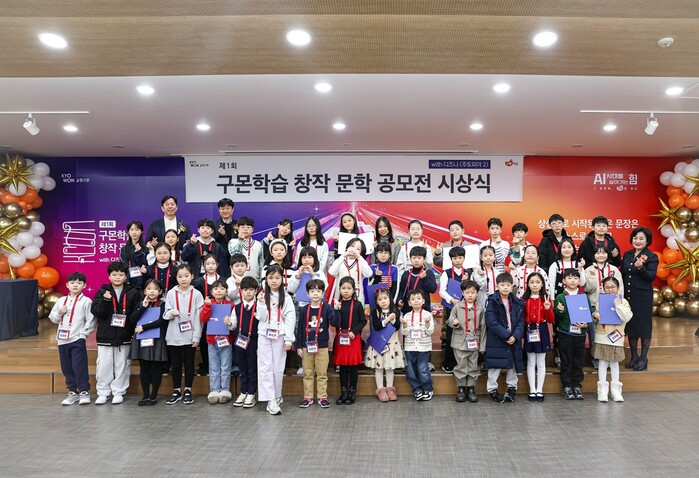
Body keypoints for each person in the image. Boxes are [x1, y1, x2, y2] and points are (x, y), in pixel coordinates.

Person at [90, 261, 140, 405]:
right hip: (105, 336)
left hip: (124, 335)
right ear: (109, 276)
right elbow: (97, 312)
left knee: (122, 365)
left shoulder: (133, 292)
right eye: (114, 274)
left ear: (126, 276)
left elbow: (135, 314)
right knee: (103, 366)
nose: (117, 277)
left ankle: (119, 392)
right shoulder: (102, 292)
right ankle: (103, 392)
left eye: (121, 274)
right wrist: (106, 300)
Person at [48, 272, 95, 406]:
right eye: (72, 283)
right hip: (62, 340)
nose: (75, 285)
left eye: (79, 283)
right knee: (66, 367)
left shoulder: (86, 301)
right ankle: (73, 392)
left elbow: (91, 320)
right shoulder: (61, 300)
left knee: (79, 366)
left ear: (84, 285)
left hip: (77, 339)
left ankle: (84, 391)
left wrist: (83, 335)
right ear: (67, 285)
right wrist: (59, 313)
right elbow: (53, 318)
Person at [257, 265, 297, 415]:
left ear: (282, 279)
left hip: (280, 335)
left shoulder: (286, 297)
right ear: (266, 279)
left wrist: (289, 339)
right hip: (264, 334)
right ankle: (270, 399)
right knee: (265, 367)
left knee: (278, 368)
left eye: (277, 278)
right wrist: (261, 303)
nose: (274, 281)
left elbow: (290, 319)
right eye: (270, 278)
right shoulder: (261, 295)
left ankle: (277, 394)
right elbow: (261, 318)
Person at [163, 264, 204, 405]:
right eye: (180, 276)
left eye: (186, 276)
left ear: (192, 276)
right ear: (176, 278)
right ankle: (176, 390)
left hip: (190, 335)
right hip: (173, 335)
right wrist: (171, 313)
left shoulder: (197, 294)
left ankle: (188, 390)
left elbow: (199, 318)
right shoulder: (171, 293)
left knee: (189, 364)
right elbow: (165, 314)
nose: (183, 279)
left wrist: (197, 336)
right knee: (175, 364)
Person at [555, 268, 595, 400]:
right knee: (566, 361)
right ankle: (567, 386)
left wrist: (586, 324)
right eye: (569, 278)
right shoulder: (561, 297)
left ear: (579, 281)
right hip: (565, 333)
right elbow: (556, 318)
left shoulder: (584, 297)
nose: (572, 281)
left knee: (578, 361)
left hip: (580, 335)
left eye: (575, 278)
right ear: (564, 280)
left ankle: (577, 385)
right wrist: (560, 311)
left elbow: (589, 315)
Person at [621, 227, 658, 371]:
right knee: (631, 326)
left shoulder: (652, 256)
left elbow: (651, 277)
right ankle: (634, 356)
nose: (637, 241)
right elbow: (623, 272)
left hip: (643, 297)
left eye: (641, 239)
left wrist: (641, 268)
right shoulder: (628, 254)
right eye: (635, 238)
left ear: (647, 241)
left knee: (643, 326)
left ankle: (643, 357)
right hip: (628, 296)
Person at [485, 273, 525, 403]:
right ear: (497, 286)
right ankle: (492, 389)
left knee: (512, 364)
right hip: (498, 339)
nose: (505, 287)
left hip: (513, 339)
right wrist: (507, 335)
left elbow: (521, 322)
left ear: (512, 286)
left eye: (508, 285)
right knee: (495, 365)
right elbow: (491, 322)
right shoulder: (492, 302)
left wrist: (515, 335)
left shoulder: (517, 302)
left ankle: (512, 388)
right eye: (502, 285)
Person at [295, 279, 334, 408]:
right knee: (307, 373)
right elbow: (300, 329)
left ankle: (322, 397)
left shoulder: (327, 308)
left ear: (323, 293)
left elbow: (335, 323)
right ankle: (308, 397)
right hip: (306, 347)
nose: (315, 293)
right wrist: (299, 346)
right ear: (307, 293)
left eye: (318, 291)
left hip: (322, 347)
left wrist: (336, 310)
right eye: (312, 291)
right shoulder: (304, 310)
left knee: (322, 374)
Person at [130, 278, 168, 406]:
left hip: (157, 338)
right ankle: (145, 395)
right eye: (149, 289)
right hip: (142, 339)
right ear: (145, 291)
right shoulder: (140, 303)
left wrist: (144, 327)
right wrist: (143, 307)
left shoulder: (163, 304)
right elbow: (132, 319)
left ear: (160, 291)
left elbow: (162, 321)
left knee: (156, 367)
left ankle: (153, 395)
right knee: (144, 368)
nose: (152, 291)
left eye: (155, 289)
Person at [593, 277, 632, 402]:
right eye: (607, 287)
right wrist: (595, 315)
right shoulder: (601, 301)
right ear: (603, 289)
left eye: (613, 287)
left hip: (616, 336)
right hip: (603, 335)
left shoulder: (623, 301)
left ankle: (616, 390)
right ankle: (602, 390)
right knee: (603, 362)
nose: (610, 290)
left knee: (615, 363)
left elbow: (627, 317)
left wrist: (618, 305)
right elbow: (596, 316)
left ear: (618, 287)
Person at [331, 277, 367, 405]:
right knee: (342, 367)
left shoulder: (357, 304)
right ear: (339, 289)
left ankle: (352, 391)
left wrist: (355, 331)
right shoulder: (337, 304)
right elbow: (334, 322)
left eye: (349, 288)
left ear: (353, 290)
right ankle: (343, 392)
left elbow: (363, 321)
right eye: (343, 288)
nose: (346, 291)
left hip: (353, 338)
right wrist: (335, 310)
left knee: (353, 367)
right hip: (341, 339)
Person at [448, 280, 485, 403]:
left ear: (477, 293)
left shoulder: (480, 308)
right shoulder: (457, 307)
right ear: (463, 293)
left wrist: (482, 346)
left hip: (474, 342)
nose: (470, 295)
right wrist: (454, 322)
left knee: (473, 366)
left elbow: (483, 327)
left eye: (473, 292)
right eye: (467, 292)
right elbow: (450, 320)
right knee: (461, 365)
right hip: (459, 342)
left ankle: (471, 388)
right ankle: (461, 388)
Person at [200, 280, 236, 405]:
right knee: (214, 367)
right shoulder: (208, 303)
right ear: (211, 291)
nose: (219, 291)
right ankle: (214, 390)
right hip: (211, 341)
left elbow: (234, 323)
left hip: (226, 341)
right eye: (216, 289)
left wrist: (229, 322)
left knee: (225, 366)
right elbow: (203, 318)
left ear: (226, 291)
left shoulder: (230, 305)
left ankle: (225, 390)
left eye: (222, 289)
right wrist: (207, 306)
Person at [365, 288, 404, 402]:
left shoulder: (395, 311)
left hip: (392, 343)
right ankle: (381, 389)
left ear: (390, 299)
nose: (383, 301)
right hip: (379, 343)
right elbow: (377, 326)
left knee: (390, 367)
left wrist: (393, 319)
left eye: (385, 298)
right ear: (376, 302)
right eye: (380, 299)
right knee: (379, 367)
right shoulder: (375, 312)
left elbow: (397, 326)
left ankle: (390, 389)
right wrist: (387, 319)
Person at [522, 272, 554, 402]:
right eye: (532, 282)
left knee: (541, 362)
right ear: (528, 284)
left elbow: (551, 319)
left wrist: (547, 308)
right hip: (529, 329)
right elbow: (521, 318)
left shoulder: (546, 299)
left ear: (542, 284)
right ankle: (532, 390)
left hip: (542, 329)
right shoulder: (524, 299)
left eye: (537, 282)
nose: (535, 285)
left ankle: (539, 389)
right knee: (531, 362)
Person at [439, 246, 471, 373]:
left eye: (460, 258)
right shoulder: (446, 273)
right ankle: (449, 363)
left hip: (465, 308)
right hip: (451, 308)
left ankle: (463, 363)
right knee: (451, 335)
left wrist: (467, 282)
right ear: (451, 259)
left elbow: (473, 290)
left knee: (464, 334)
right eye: (455, 258)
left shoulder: (468, 273)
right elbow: (441, 291)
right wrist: (451, 299)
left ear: (464, 258)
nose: (458, 260)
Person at [400, 289, 435, 401]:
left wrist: (427, 322)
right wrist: (404, 324)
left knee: (422, 369)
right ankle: (416, 389)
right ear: (409, 303)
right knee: (410, 370)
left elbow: (430, 331)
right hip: (409, 347)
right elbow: (404, 333)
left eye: (419, 298)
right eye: (413, 299)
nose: (416, 301)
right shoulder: (406, 316)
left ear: (423, 301)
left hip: (423, 347)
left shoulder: (428, 314)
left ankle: (428, 389)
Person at [232, 276, 261, 409]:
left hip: (254, 341)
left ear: (256, 290)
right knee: (242, 367)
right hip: (240, 340)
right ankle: (243, 391)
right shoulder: (237, 308)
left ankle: (251, 392)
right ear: (241, 290)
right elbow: (233, 325)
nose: (248, 292)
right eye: (245, 289)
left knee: (252, 367)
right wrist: (229, 323)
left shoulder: (260, 306)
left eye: (251, 289)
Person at [192, 254, 223, 375]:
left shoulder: (223, 280)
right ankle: (206, 364)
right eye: (208, 264)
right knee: (205, 339)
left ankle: (219, 364)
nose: (210, 266)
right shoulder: (198, 282)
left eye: (213, 263)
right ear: (204, 266)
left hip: (219, 312)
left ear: (217, 265)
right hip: (204, 312)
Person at [328, 237, 373, 304]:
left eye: (358, 249)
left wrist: (359, 257)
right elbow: (331, 272)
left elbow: (369, 274)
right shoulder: (340, 261)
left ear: (361, 252)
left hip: (357, 298)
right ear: (347, 247)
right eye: (352, 246)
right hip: (341, 297)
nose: (354, 249)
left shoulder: (361, 262)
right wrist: (343, 256)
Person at [396, 245, 438, 314]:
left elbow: (433, 289)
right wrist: (400, 299)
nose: (416, 260)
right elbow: (402, 290)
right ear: (410, 259)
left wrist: (425, 279)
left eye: (419, 258)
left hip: (424, 310)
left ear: (424, 259)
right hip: (408, 309)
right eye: (414, 258)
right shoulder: (406, 273)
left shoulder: (428, 272)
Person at [227, 216, 264, 281]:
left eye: (248, 227)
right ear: (238, 229)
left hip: (254, 279)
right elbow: (234, 255)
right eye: (242, 227)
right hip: (237, 280)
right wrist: (241, 240)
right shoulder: (233, 242)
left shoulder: (258, 244)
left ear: (252, 230)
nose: (245, 229)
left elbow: (261, 262)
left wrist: (261, 279)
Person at [120, 221, 148, 290]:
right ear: (128, 232)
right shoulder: (124, 249)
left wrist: (138, 253)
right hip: (129, 282)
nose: (134, 232)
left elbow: (146, 264)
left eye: (137, 230)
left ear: (142, 231)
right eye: (132, 230)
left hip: (144, 281)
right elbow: (124, 266)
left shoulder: (146, 248)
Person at [213, 198, 237, 262]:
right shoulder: (214, 224)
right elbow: (210, 242)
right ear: (219, 210)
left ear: (232, 209)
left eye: (228, 208)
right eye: (223, 209)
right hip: (219, 258)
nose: (225, 211)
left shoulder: (238, 224)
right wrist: (219, 235)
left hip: (235, 259)